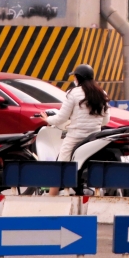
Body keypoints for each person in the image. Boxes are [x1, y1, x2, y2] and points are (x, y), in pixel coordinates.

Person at [37, 64, 109, 196]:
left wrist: (47, 120)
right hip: (94, 137)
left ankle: (51, 198)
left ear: (78, 77)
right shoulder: (101, 93)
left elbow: (61, 118)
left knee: (60, 168)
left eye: (74, 76)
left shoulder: (73, 93)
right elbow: (105, 120)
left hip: (75, 137)